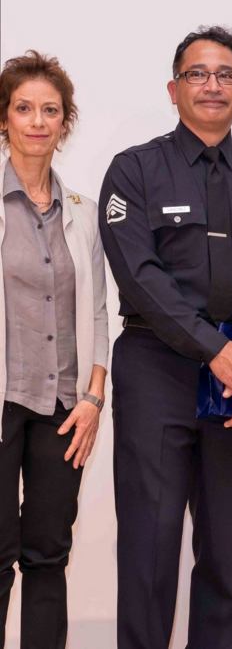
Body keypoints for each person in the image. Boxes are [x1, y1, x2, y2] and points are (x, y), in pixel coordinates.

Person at [99, 26, 232, 649]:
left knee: (226, 558)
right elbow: (139, 277)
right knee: (149, 551)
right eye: (197, 74)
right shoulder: (134, 171)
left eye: (225, 75)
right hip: (156, 369)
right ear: (173, 89)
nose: (212, 85)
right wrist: (216, 351)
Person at [0, 51, 107, 649]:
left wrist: (93, 398)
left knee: (48, 555)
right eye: (24, 108)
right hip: (3, 402)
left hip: (64, 411)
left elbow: (97, 313)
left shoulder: (83, 215)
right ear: (5, 119)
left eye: (50, 110)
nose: (37, 121)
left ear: (65, 122)